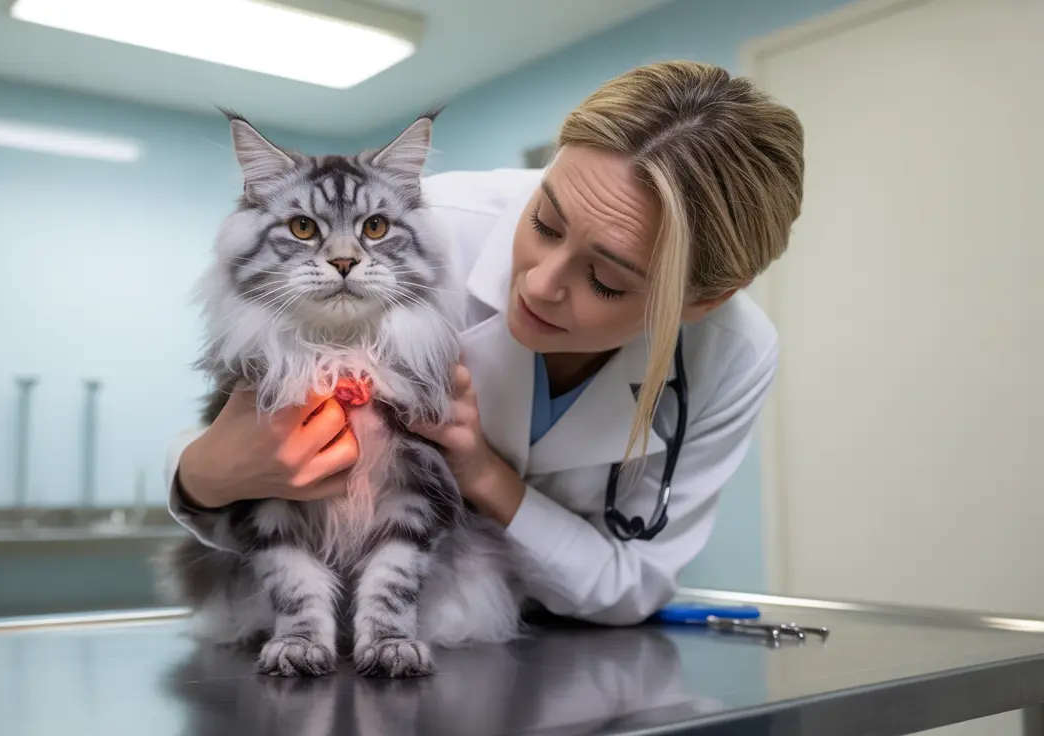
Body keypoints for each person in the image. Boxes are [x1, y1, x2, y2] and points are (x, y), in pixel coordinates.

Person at [164, 60, 804, 626]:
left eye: (606, 280)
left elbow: (631, 585)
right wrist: (202, 476)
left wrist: (483, 475)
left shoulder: (735, 355)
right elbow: (246, 416)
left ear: (704, 301)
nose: (541, 283)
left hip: (514, 636)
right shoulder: (409, 235)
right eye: (545, 222)